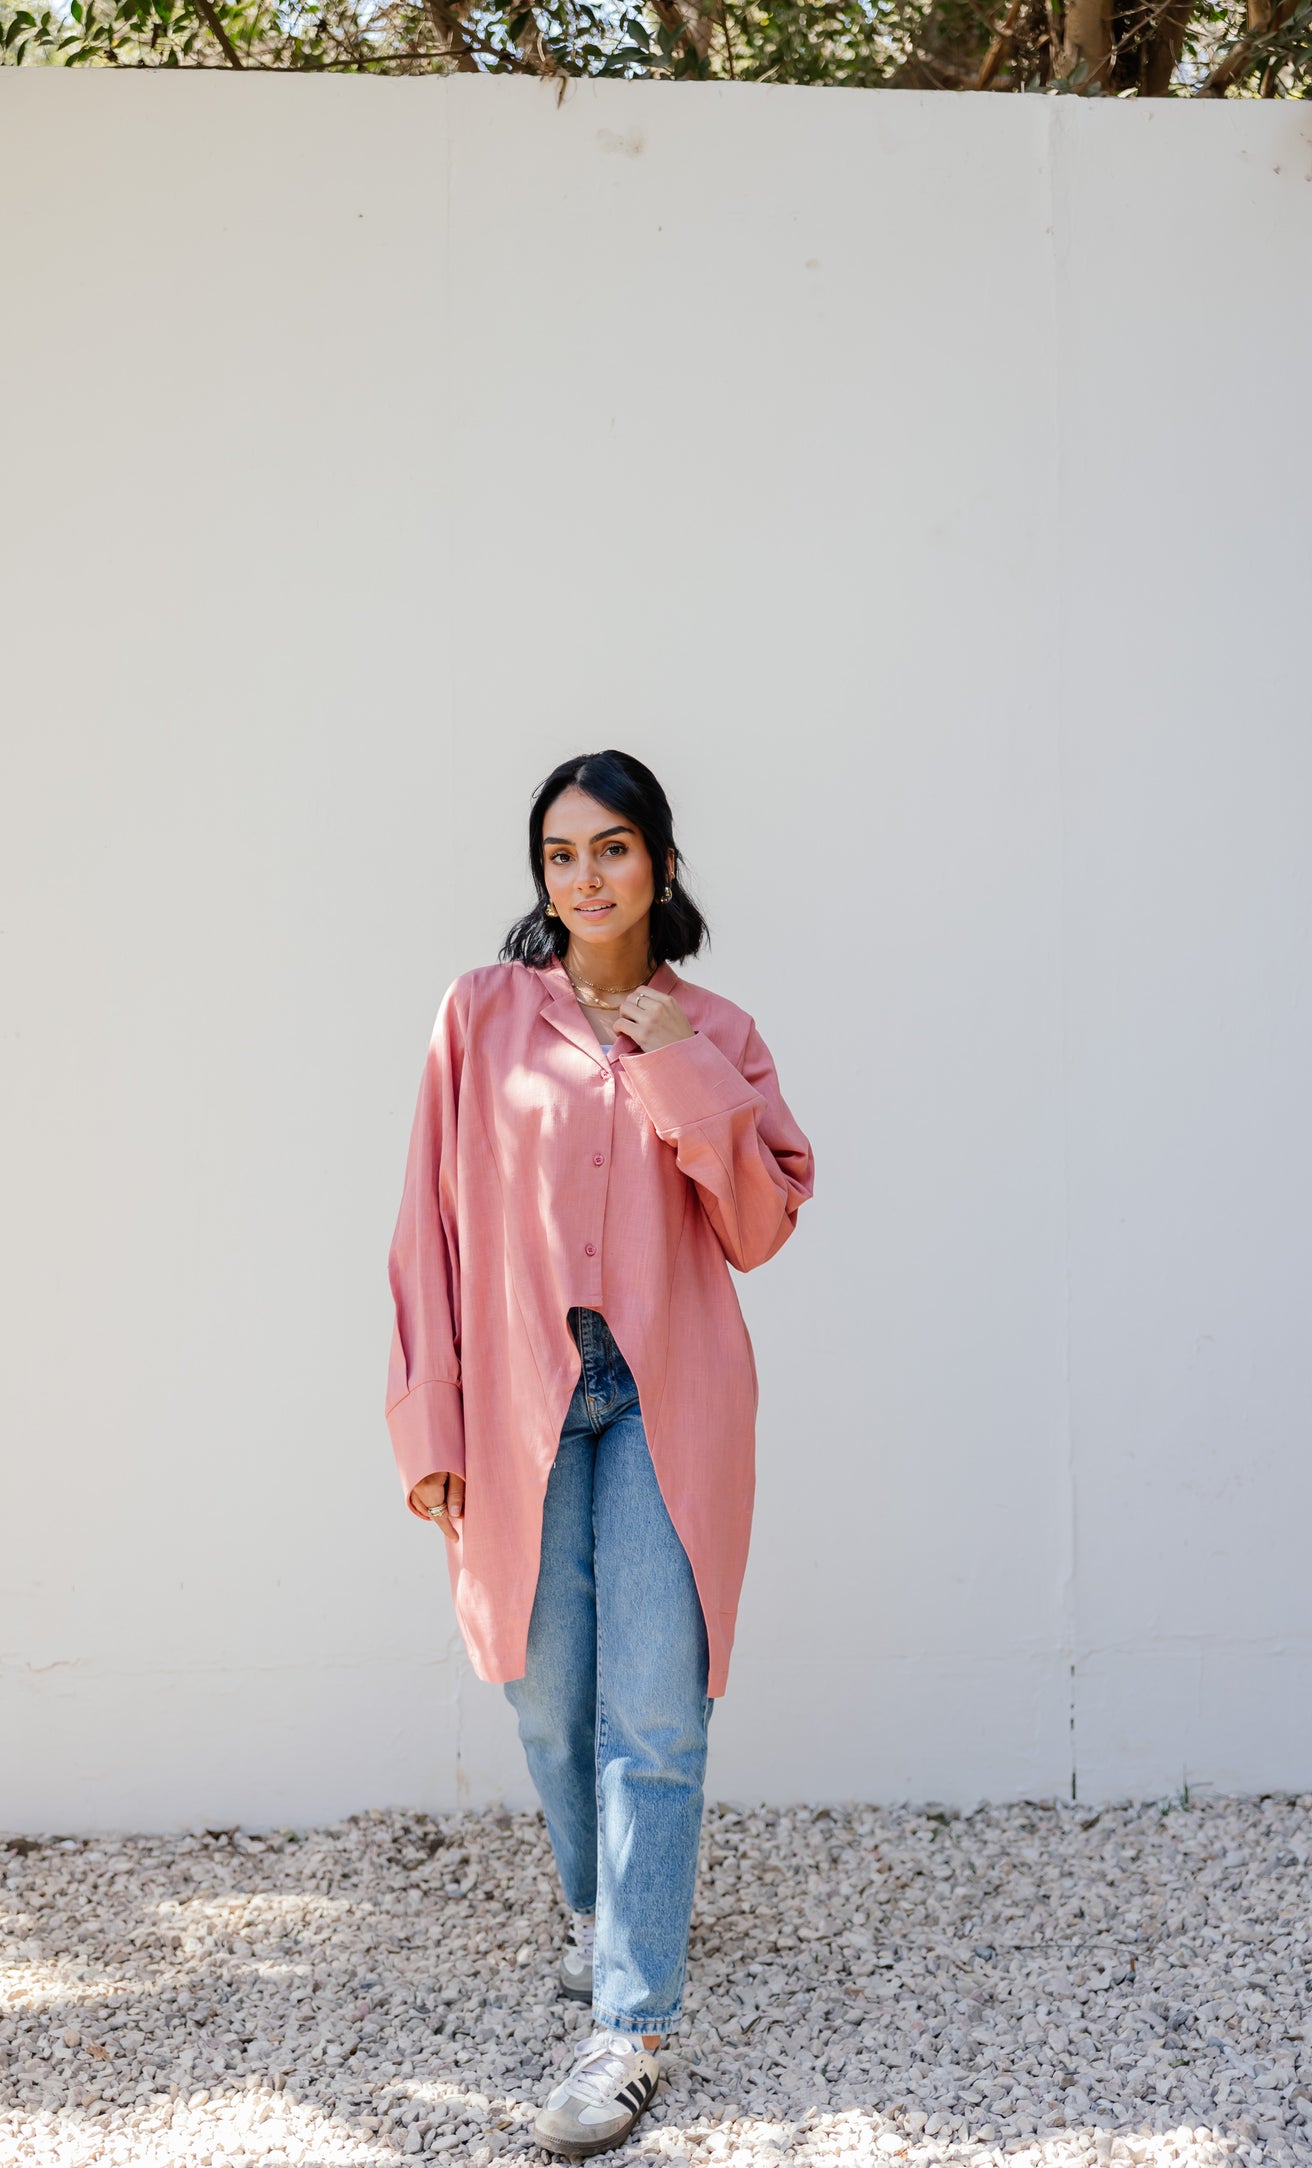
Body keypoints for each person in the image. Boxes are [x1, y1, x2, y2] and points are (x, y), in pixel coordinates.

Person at [384, 749, 815, 2159]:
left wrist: (673, 1057)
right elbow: (426, 1228)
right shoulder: (478, 1015)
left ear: (661, 866)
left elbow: (758, 1228)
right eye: (561, 854)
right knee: (547, 1702)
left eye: (612, 849)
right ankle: (599, 1907)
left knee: (658, 1716)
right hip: (519, 1402)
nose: (585, 876)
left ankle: (628, 2028)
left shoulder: (718, 1032)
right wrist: (429, 1417)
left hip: (664, 1404)